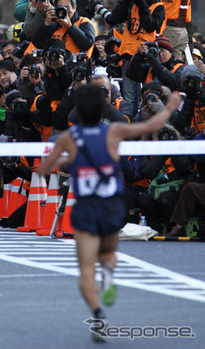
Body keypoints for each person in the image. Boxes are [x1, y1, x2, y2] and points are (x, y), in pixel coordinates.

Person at [37, 84, 182, 342]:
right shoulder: (114, 131)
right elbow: (151, 126)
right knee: (108, 253)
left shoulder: (68, 138)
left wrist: (67, 161)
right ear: (104, 107)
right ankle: (109, 273)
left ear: (77, 111)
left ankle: (97, 314)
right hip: (112, 207)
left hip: (85, 209)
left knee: (85, 270)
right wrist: (170, 104)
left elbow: (44, 169)